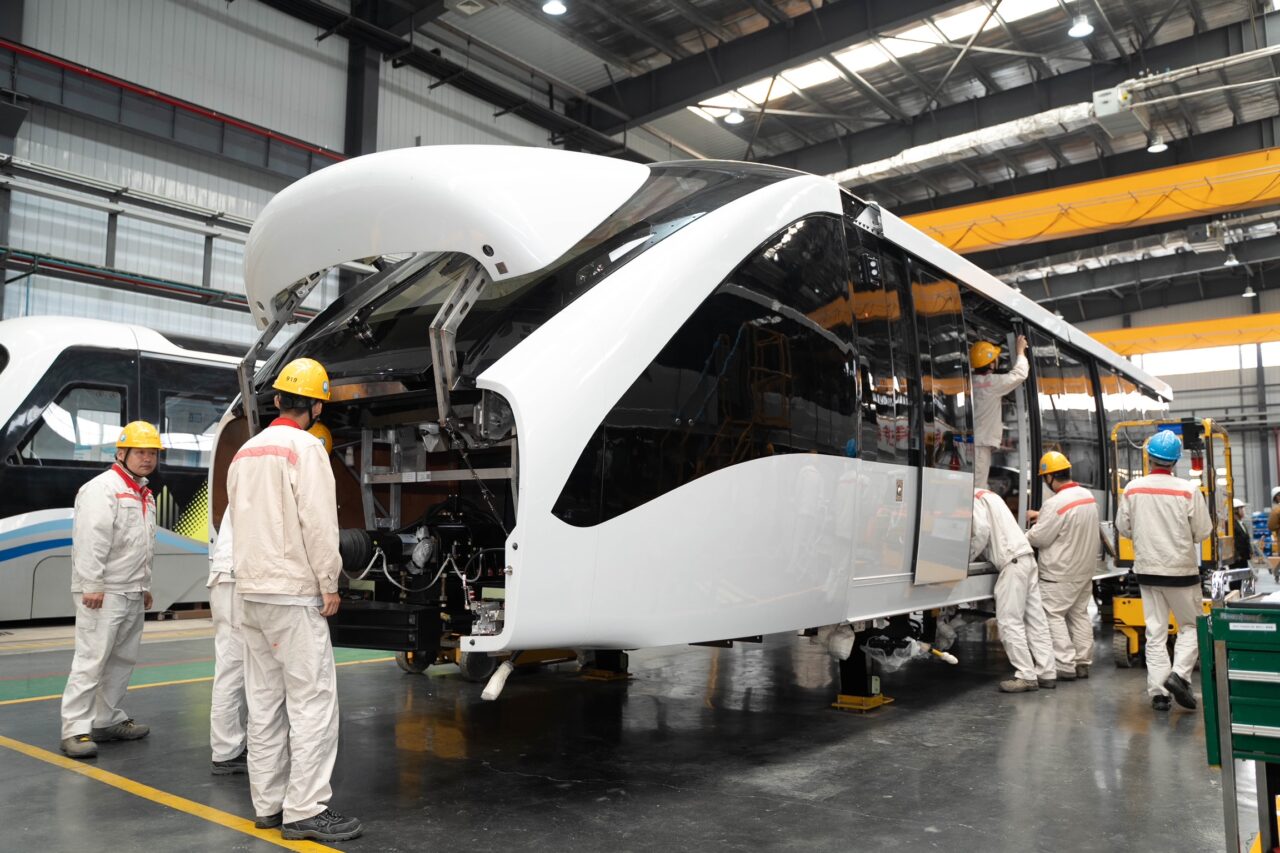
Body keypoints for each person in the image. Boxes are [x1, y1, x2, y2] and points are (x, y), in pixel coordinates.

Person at [227, 358, 362, 842]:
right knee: (312, 702)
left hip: (250, 593)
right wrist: (330, 582)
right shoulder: (307, 450)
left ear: (279, 399)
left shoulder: (244, 452)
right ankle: (304, 809)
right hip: (291, 594)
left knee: (264, 702)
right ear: (319, 407)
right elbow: (319, 524)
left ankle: (268, 805)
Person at [59, 421, 162, 759]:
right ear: (121, 453)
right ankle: (74, 729)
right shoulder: (102, 489)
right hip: (104, 591)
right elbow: (91, 540)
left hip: (131, 590)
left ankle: (105, 720)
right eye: (140, 452)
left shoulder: (144, 493)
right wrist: (92, 584)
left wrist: (144, 585)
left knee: (121, 660)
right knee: (91, 660)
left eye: (152, 453)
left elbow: (142, 544)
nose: (147, 459)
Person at [1115, 430, 1212, 712]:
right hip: (1181, 572)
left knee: (1155, 632)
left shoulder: (1133, 489)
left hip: (1147, 571)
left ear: (1148, 458)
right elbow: (1202, 532)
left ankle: (1159, 694)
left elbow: (1123, 527)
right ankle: (1179, 676)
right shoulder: (1188, 490)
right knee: (1192, 626)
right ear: (1175, 461)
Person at [971, 486, 1056, 692]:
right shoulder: (989, 495)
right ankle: (1047, 672)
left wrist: (966, 558)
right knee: (1036, 620)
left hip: (1012, 562)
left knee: (1009, 621)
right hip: (1026, 557)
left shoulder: (972, 497)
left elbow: (980, 531)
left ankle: (1026, 676)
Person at [1025, 451, 1099, 682]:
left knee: (1053, 615)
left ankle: (1064, 664)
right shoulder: (1087, 496)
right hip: (1084, 570)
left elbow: (1039, 538)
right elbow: (1069, 519)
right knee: (1079, 615)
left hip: (1059, 573)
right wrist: (1043, 516)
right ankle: (1082, 662)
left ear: (1050, 477)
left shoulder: (1054, 503)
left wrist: (1022, 534)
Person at [971, 334, 1029, 489]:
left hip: (972, 443)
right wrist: (1020, 351)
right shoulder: (992, 383)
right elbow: (1019, 374)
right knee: (977, 488)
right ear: (991, 363)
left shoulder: (971, 381)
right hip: (981, 445)